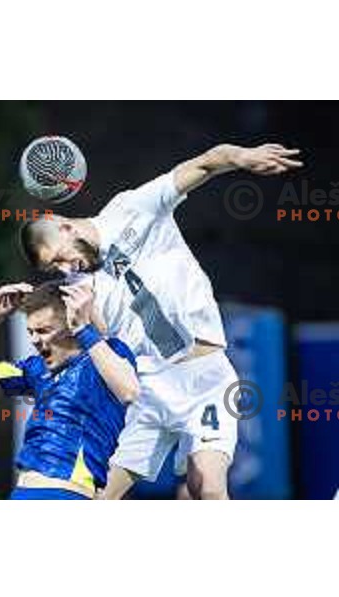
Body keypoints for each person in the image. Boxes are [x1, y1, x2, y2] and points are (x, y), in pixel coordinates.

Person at [18, 143, 303, 499]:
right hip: (148, 387)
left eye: (60, 258)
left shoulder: (129, 210)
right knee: (97, 494)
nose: (64, 269)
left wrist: (241, 158)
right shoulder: (81, 286)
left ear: (64, 228)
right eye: (53, 269)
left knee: (207, 489)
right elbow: (108, 348)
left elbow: (202, 165)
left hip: (205, 378)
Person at [0, 280, 139, 499]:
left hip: (65, 493)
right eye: (30, 332)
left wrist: (84, 329)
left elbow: (129, 391)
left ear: (71, 326)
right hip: (21, 492)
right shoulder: (35, 369)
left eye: (43, 330)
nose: (34, 340)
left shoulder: (108, 354)